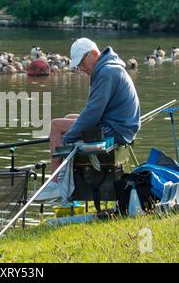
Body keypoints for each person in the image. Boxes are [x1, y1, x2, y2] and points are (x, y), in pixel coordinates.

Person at [37, 38, 141, 201]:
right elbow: (93, 111)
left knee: (56, 126)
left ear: (93, 54)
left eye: (82, 63)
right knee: (68, 119)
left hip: (117, 130)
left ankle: (55, 183)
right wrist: (72, 132)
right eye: (78, 65)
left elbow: (93, 112)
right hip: (120, 125)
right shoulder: (109, 68)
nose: (81, 68)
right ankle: (64, 177)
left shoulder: (107, 72)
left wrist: (68, 138)